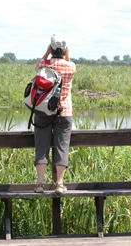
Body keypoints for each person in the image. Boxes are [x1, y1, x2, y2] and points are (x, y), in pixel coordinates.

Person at [33, 34, 76, 194]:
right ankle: (59, 184)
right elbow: (69, 63)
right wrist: (67, 54)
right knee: (62, 147)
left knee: (41, 146)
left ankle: (39, 184)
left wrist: (46, 53)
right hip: (64, 112)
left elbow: (37, 66)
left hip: (43, 111)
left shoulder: (44, 64)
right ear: (65, 51)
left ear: (51, 48)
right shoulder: (70, 66)